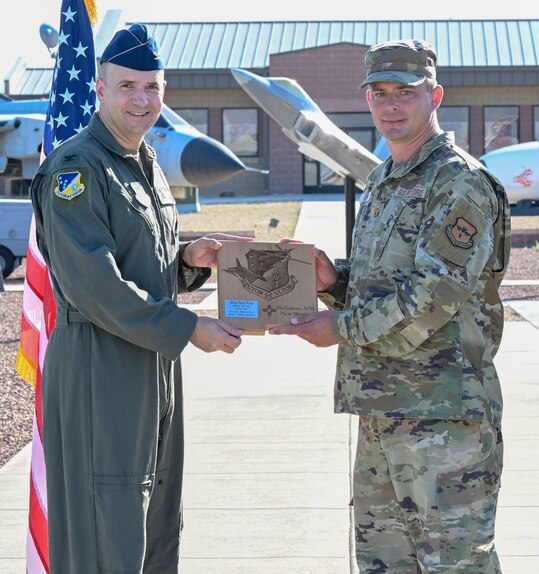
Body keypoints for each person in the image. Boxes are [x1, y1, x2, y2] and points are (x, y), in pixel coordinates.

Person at [270, 40, 510, 572]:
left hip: (443, 416)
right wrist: (336, 280)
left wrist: (342, 325)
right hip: (382, 412)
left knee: (455, 562)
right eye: (379, 93)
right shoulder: (385, 179)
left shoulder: (458, 182)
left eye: (406, 92)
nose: (391, 104)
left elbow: (434, 294)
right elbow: (387, 281)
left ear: (435, 96)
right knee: (384, 563)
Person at [30, 24, 246, 573]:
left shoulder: (146, 165)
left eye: (152, 87)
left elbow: (143, 264)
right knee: (110, 526)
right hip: (100, 367)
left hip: (151, 360)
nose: (142, 100)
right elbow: (95, 285)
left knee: (155, 525)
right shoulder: (78, 169)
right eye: (128, 86)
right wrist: (190, 330)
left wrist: (190, 260)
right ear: (99, 89)